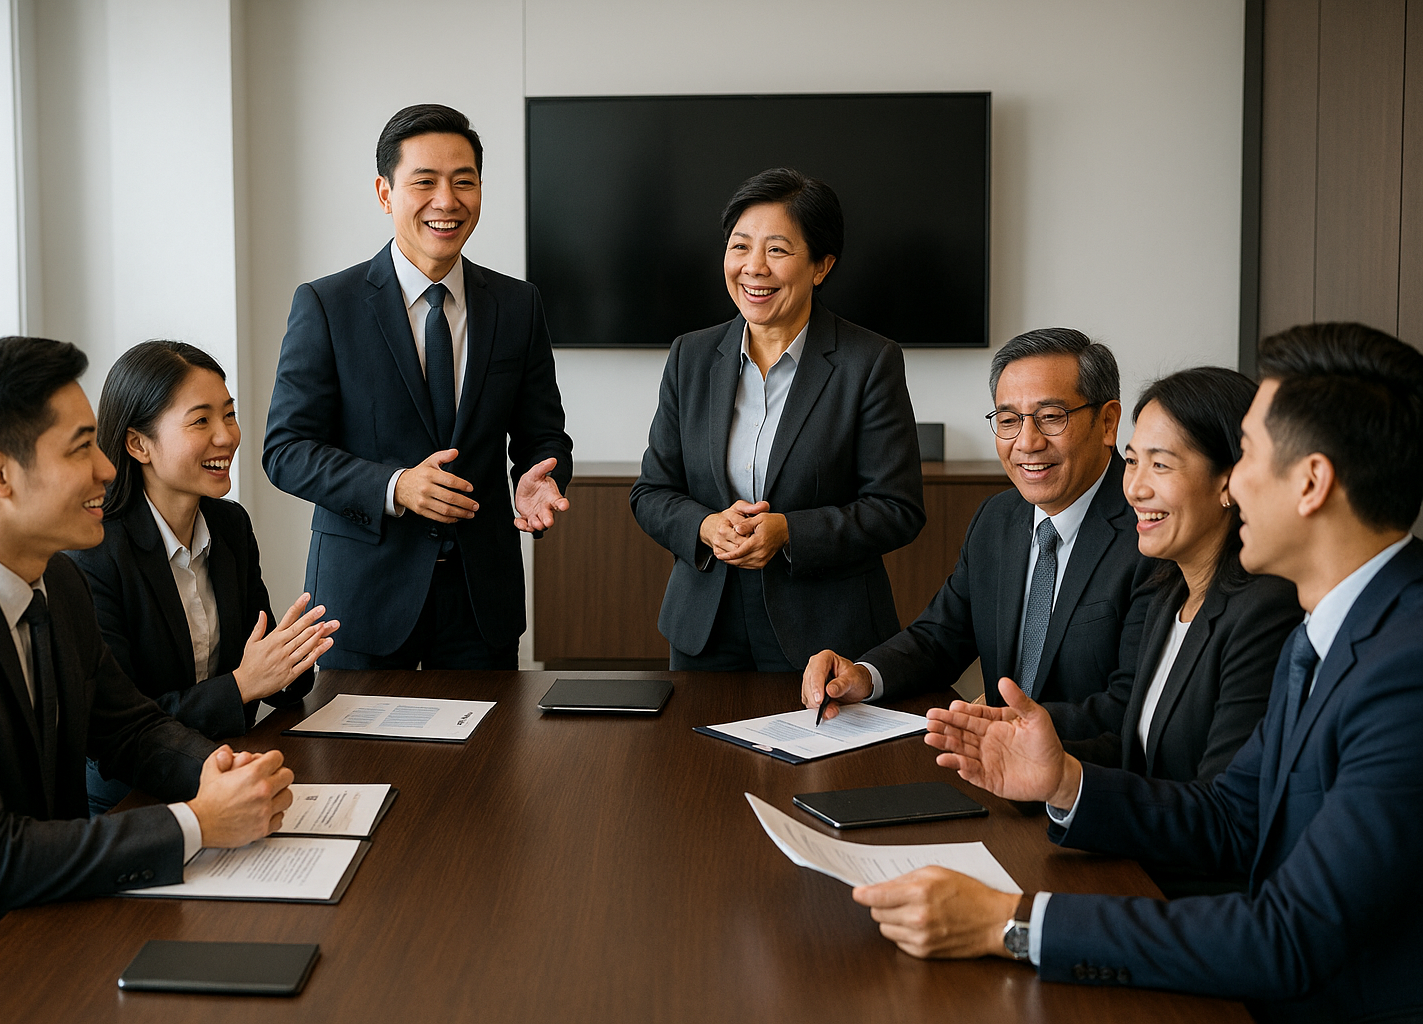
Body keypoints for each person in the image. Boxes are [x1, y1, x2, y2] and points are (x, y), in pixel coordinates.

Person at [855, 323, 1423, 1023]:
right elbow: (1231, 817)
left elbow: (1288, 936)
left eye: (1247, 454)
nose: (1234, 480)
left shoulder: (1405, 669)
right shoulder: (1328, 628)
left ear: (1311, 483)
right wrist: (1064, 780)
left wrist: (1012, 923)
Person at [0, 337, 295, 1021]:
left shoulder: (57, 581)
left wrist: (217, 769)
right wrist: (196, 822)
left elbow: (129, 727)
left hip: (62, 913)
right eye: (81, 448)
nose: (108, 467)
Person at [263, 103, 573, 670]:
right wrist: (395, 485)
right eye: (424, 182)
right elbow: (286, 451)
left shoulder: (517, 305)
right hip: (363, 600)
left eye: (464, 182)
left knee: (490, 734)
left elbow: (543, 434)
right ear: (385, 193)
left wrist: (541, 475)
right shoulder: (327, 305)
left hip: (481, 603)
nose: (446, 201)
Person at [629, 168, 925, 670]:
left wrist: (789, 531)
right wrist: (705, 526)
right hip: (705, 628)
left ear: (821, 266)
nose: (753, 267)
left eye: (777, 250)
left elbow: (897, 509)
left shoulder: (868, 362)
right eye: (740, 247)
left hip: (825, 634)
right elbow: (652, 492)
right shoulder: (690, 357)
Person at [803, 328, 1154, 712]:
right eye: (1008, 420)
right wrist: (863, 675)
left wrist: (1012, 728)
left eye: (1051, 417)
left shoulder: (1150, 531)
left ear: (1107, 423)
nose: (1027, 442)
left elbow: (1132, 703)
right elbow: (939, 638)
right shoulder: (996, 518)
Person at [70, 340, 339, 814]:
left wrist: (291, 658)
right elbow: (120, 727)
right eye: (201, 421)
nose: (226, 436)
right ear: (138, 444)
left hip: (233, 768)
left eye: (229, 415)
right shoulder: (95, 553)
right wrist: (242, 685)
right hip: (134, 799)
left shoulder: (230, 525)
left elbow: (267, 672)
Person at [1047, 367, 1303, 786]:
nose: (1135, 488)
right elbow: (1140, 756)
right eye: (1132, 461)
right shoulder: (1170, 593)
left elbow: (1223, 804)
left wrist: (1066, 784)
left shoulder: (1265, 610)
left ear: (1230, 481)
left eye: (1161, 465)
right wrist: (1043, 759)